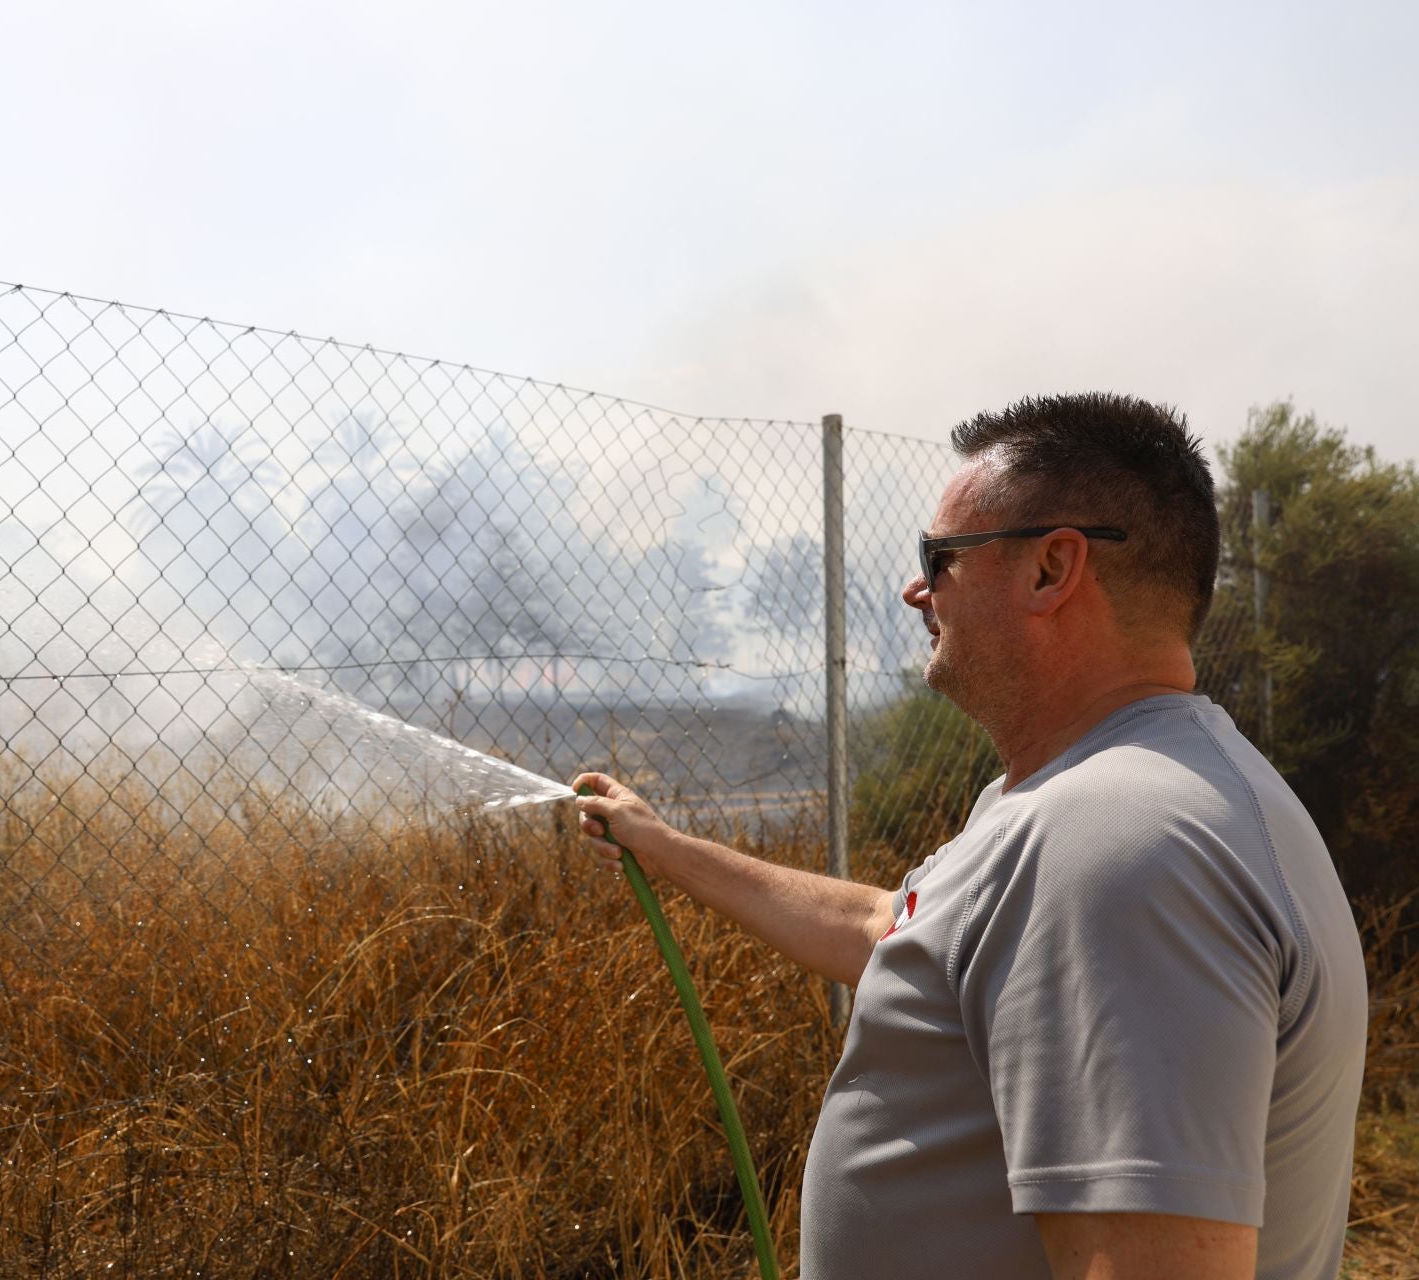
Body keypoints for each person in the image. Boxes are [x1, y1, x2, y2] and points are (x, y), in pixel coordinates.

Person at [572, 393, 1368, 1280]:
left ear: (1049, 569)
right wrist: (668, 848)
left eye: (940, 558)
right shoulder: (1101, 799)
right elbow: (902, 932)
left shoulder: (1115, 842)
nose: (917, 589)